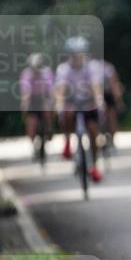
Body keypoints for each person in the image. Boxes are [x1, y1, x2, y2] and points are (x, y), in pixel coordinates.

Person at [54, 36, 104, 182]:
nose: (77, 58)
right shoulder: (64, 69)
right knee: (66, 115)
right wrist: (59, 104)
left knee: (94, 132)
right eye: (74, 55)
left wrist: (99, 100)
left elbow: (95, 85)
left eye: (80, 54)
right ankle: (68, 140)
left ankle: (94, 165)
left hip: (88, 102)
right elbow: (61, 89)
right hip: (72, 102)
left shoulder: (92, 67)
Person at [19, 53, 54, 158]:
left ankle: (49, 129)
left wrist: (53, 102)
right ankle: (32, 142)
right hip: (32, 99)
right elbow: (25, 91)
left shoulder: (47, 73)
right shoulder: (26, 74)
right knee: (31, 121)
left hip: (44, 97)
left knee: (47, 111)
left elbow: (51, 89)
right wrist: (25, 104)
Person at [97, 58, 125, 150]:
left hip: (107, 94)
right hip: (95, 95)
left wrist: (118, 101)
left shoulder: (107, 67)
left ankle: (112, 139)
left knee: (111, 115)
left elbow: (114, 84)